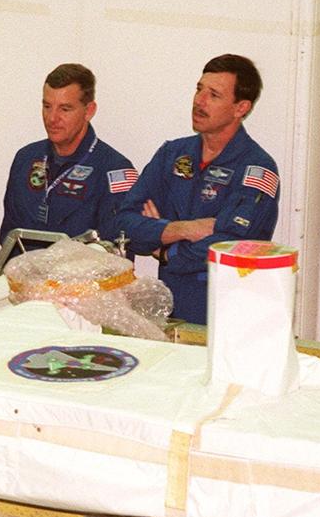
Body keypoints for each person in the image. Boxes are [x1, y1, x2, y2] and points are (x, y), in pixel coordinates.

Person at [116, 54, 279, 325]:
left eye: (213, 95)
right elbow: (124, 223)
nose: (199, 101)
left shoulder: (258, 169)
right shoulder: (172, 154)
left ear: (241, 107)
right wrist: (184, 230)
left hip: (228, 315)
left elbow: (231, 244)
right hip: (170, 308)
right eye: (199, 89)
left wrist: (165, 251)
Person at [0, 63, 138, 252]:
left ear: (89, 111)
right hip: (23, 277)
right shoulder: (25, 158)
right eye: (47, 106)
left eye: (64, 109)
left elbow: (116, 255)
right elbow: (9, 238)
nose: (52, 118)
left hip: (82, 280)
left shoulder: (115, 171)